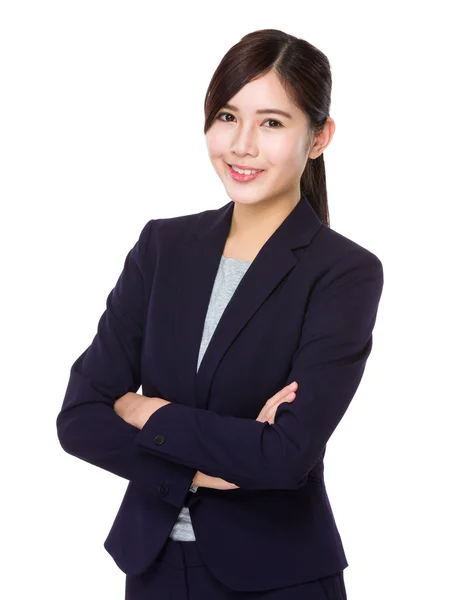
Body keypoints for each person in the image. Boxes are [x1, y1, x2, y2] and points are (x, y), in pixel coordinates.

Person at [56, 28, 384, 600]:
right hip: (153, 568)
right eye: (228, 117)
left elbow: (285, 458)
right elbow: (80, 417)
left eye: (273, 122)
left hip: (279, 577)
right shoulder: (162, 247)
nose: (242, 145)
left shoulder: (343, 272)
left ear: (319, 137)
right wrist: (213, 463)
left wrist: (144, 409)